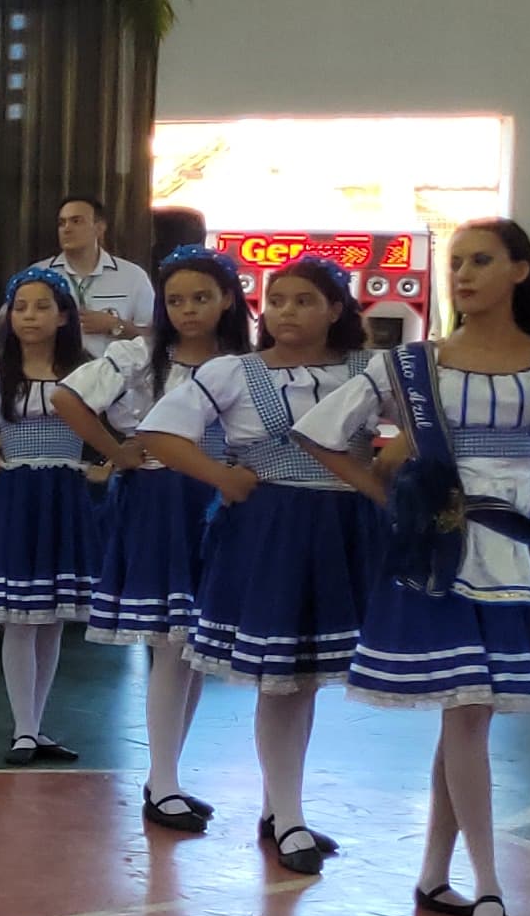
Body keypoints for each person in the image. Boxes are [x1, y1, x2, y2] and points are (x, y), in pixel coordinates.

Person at [308, 219, 530, 916]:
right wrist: (390, 499)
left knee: (465, 714)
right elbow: (322, 434)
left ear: (521, 270)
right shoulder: (415, 365)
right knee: (468, 709)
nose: (464, 274)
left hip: (515, 560)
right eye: (456, 262)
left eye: (481, 260)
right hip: (440, 561)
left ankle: (434, 874)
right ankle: (487, 884)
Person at [136, 253, 382, 877]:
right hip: (271, 532)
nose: (286, 312)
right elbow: (159, 433)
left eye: (304, 300)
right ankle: (288, 817)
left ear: (335, 309)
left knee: (306, 676)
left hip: (342, 531)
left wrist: (388, 475)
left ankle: (281, 808)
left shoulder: (367, 370)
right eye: (276, 300)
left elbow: (420, 427)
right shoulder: (234, 372)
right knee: (283, 676)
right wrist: (221, 476)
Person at [61, 247, 248, 833]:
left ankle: (168, 776)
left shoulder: (244, 363)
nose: (188, 310)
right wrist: (115, 451)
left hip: (221, 500)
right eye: (175, 300)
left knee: (195, 647)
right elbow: (67, 397)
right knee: (171, 644)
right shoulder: (142, 355)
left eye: (202, 298)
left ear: (227, 300)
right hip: (164, 500)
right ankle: (162, 781)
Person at [0, 268, 105, 763]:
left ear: (64, 316)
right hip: (18, 498)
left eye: (41, 306)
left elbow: (135, 419)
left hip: (66, 496)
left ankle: (36, 724)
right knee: (19, 618)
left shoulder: (87, 370)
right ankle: (23, 728)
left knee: (51, 618)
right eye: (20, 307)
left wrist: (111, 462)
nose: (29, 316)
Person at [32, 193, 155, 345]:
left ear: (99, 228)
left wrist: (115, 325)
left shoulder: (133, 276)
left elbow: (152, 337)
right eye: (62, 223)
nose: (67, 229)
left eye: (76, 221)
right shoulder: (38, 275)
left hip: (112, 360)